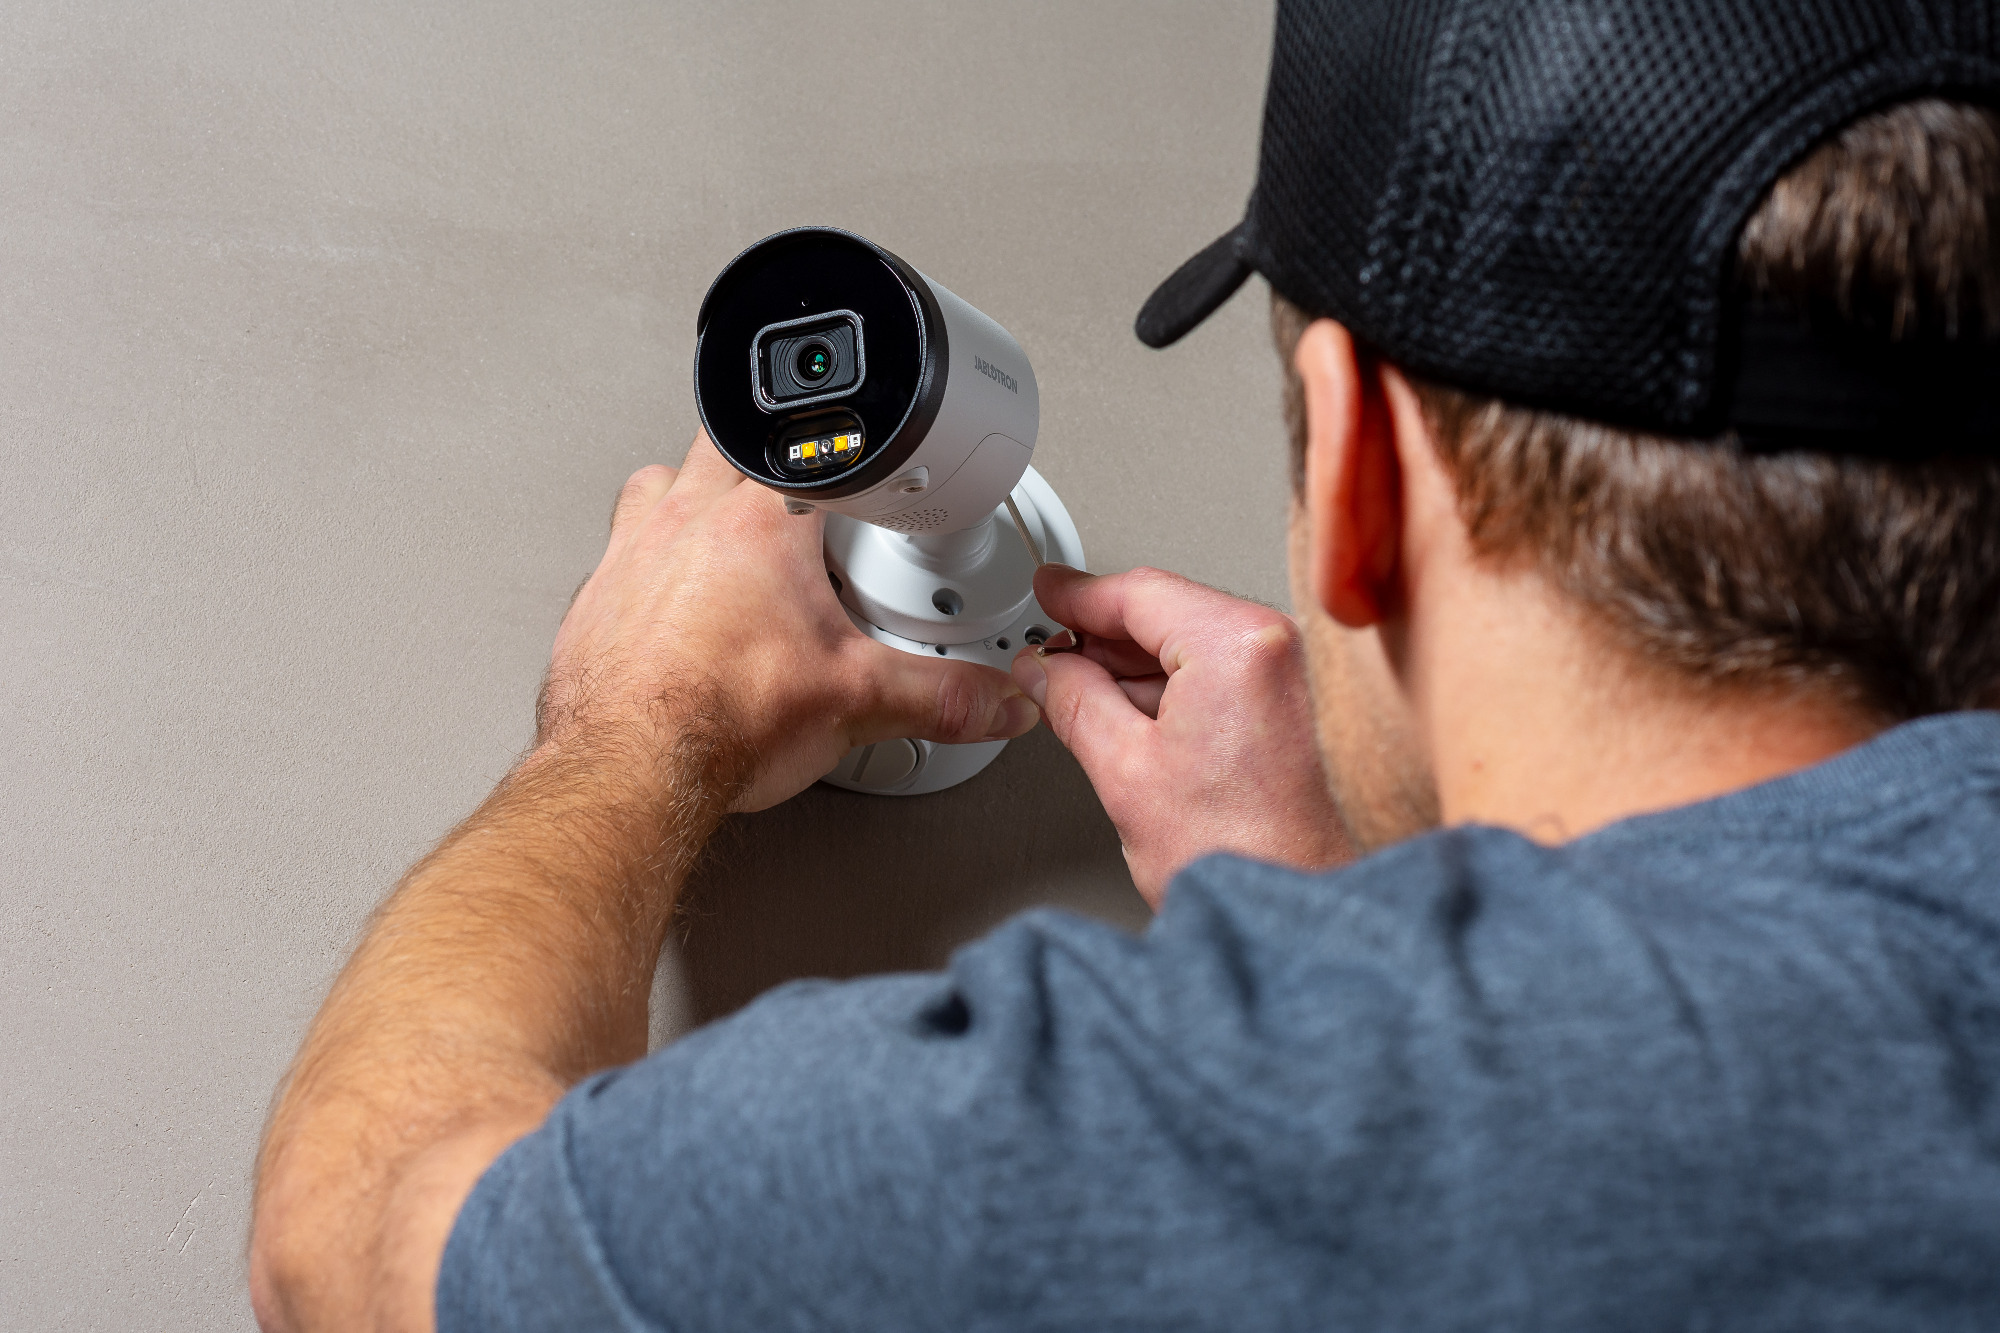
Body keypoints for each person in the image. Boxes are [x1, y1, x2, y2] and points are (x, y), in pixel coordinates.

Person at [250, 2, 2000, 1329]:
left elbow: (354, 1234)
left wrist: (637, 719)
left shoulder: (1153, 1135)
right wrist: (1335, 939)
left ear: (1360, 475)